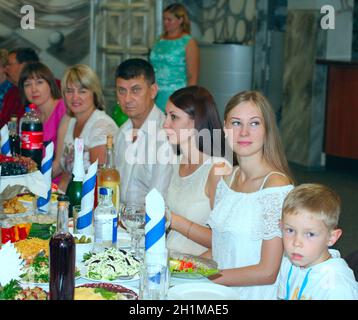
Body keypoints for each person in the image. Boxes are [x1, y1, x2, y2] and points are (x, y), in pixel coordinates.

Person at [170, 90, 294, 299]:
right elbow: (221, 248)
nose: (244, 132)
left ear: (267, 130)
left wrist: (205, 277)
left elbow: (268, 272)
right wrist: (182, 268)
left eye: (254, 123)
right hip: (219, 291)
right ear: (225, 129)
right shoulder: (227, 179)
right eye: (236, 123)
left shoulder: (275, 187)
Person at [164, 85, 231, 256]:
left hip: (198, 270)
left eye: (173, 117)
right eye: (166, 116)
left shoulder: (217, 169)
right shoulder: (177, 162)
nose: (165, 125)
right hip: (169, 260)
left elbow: (225, 240)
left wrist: (173, 220)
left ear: (196, 121)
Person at [278, 183, 358, 300]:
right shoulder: (289, 262)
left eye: (310, 234)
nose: (296, 243)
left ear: (331, 238)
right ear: (281, 226)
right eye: (290, 230)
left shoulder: (337, 287)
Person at [114, 58, 173, 205]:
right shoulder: (121, 132)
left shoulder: (165, 135)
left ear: (153, 91)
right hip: (120, 222)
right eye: (122, 91)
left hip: (149, 224)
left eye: (135, 90)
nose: (127, 99)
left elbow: (157, 202)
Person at [52, 64, 118, 192]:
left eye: (82, 91)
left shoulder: (101, 126)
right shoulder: (71, 121)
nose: (75, 97)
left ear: (94, 93)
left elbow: (100, 183)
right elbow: (65, 172)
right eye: (69, 91)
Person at [149, 3, 200, 112]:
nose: (165, 23)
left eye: (169, 19)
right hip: (155, 93)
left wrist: (187, 101)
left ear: (180, 20)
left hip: (176, 95)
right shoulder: (159, 40)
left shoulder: (188, 42)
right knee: (154, 125)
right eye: (164, 19)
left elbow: (193, 76)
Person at [18, 62, 66, 155]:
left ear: (50, 84)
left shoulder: (64, 109)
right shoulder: (29, 115)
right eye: (27, 84)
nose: (34, 89)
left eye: (39, 82)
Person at [0, 47, 40, 127]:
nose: (5, 69)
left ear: (24, 66)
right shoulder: (11, 93)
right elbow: (7, 124)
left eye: (9, 65)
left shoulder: (45, 89)